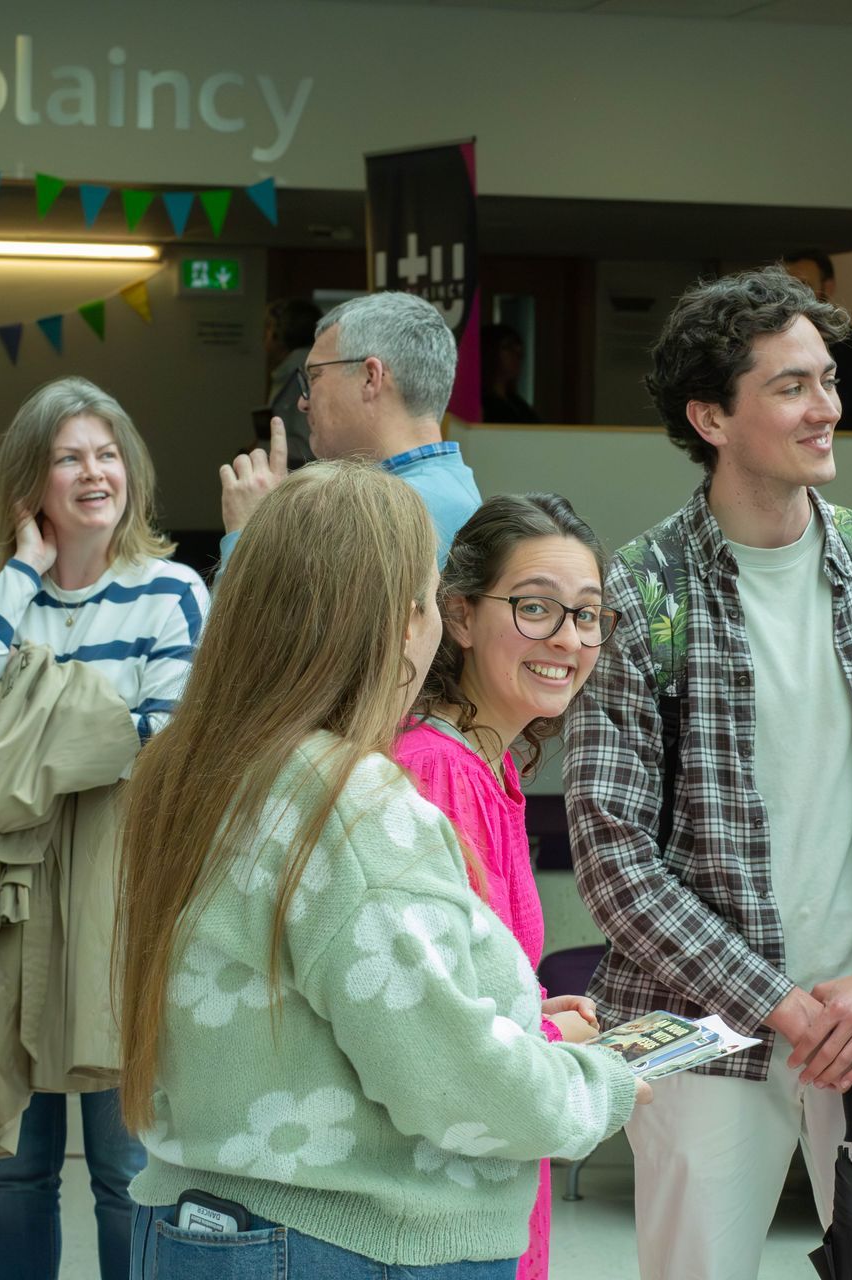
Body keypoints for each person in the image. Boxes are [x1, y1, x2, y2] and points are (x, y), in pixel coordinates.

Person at [564, 266, 852, 1280]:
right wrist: (789, 1008)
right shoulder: (639, 593)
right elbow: (614, 857)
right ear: (711, 416)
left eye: (828, 380)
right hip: (702, 1031)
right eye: (793, 386)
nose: (827, 407)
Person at [114, 462, 642, 1278]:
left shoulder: (197, 767)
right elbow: (449, 1078)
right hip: (340, 1241)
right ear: (403, 621)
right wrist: (598, 1081)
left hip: (210, 1222)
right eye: (429, 596)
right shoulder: (351, 800)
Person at [0, 376, 210, 1280]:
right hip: (12, 897)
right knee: (15, 1169)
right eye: (68, 458)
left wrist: (28, 733)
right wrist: (21, 569)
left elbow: (170, 740)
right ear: (30, 486)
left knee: (126, 1170)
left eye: (107, 454)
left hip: (120, 895)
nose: (95, 473)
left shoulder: (170, 591)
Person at [398, 493, 616, 1280]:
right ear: (459, 615)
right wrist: (556, 1046)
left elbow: (465, 982)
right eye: (535, 607)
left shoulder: (487, 766)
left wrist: (534, 1013)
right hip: (442, 1210)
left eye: (586, 615)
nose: (568, 639)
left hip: (485, 1183)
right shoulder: (437, 772)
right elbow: (426, 1030)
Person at [219, 290, 480, 568]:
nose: (302, 402)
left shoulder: (382, 516)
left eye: (314, 376)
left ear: (370, 378)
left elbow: (262, 601)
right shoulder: (450, 491)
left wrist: (250, 533)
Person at [782, 249, 852, 430]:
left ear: (827, 287)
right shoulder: (776, 346)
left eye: (804, 285)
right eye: (788, 287)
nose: (794, 296)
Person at [261, 297, 319, 469]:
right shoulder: (290, 371)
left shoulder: (304, 374)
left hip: (299, 475)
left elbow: (306, 447)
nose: (263, 338)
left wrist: (263, 450)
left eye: (267, 329)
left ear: (276, 334)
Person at [480, 323, 541, 423]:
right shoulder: (480, 404)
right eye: (508, 347)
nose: (517, 354)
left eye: (519, 350)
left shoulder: (519, 407)